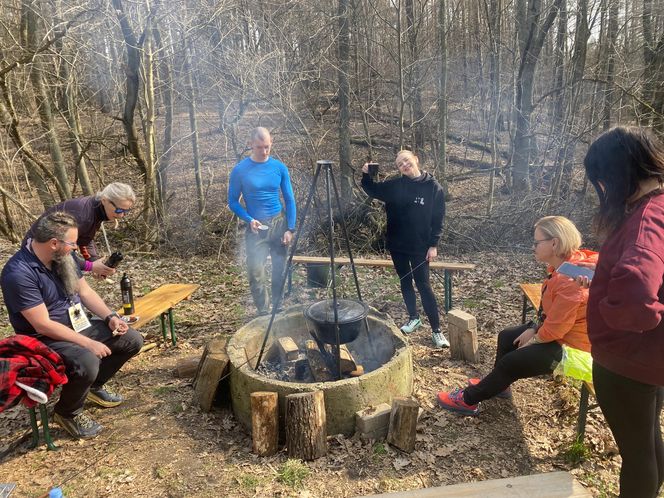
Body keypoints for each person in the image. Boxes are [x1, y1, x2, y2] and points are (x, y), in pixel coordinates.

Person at [1, 212, 143, 438]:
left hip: (78, 324)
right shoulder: (18, 273)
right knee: (88, 359)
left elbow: (85, 292)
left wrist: (110, 316)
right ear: (54, 243)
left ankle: (93, 386)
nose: (76, 248)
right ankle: (67, 413)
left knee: (131, 340)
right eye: (72, 243)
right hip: (44, 339)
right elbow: (43, 324)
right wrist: (88, 343)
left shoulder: (63, 257)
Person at [437, 216, 597, 415]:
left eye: (537, 242)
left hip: (575, 349)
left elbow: (557, 328)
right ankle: (500, 384)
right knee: (507, 337)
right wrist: (532, 328)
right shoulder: (565, 266)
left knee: (512, 361)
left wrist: (534, 339)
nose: (533, 247)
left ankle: (467, 400)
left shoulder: (571, 279)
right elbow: (550, 314)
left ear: (554, 243)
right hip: (563, 333)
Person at [583, 126, 664, 498]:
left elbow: (636, 289)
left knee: (636, 456)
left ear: (616, 174)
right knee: (648, 440)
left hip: (625, 361)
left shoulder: (646, 220)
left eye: (601, 181)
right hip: (651, 358)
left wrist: (608, 312)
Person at [361, 150, 449, 348]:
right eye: (400, 164)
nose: (404, 165)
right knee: (405, 281)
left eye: (406, 161)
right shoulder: (395, 186)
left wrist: (433, 244)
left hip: (420, 247)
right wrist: (366, 174)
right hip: (398, 245)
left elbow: (438, 219)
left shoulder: (433, 188)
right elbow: (372, 189)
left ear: (416, 159)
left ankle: (437, 331)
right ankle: (413, 318)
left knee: (424, 285)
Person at [228, 127, 297, 316]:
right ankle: (264, 312)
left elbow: (290, 200)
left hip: (278, 224)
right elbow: (233, 202)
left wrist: (290, 228)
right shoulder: (240, 170)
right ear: (251, 144)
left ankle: (278, 306)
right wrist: (249, 219)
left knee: (280, 269)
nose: (264, 151)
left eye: (267, 147)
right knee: (256, 271)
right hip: (256, 227)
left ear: (271, 143)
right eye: (259, 147)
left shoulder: (279, 168)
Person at [24, 182, 136, 279]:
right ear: (104, 200)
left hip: (56, 252)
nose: (121, 215)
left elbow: (85, 238)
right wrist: (90, 266)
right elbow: (60, 252)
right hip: (35, 255)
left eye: (126, 211)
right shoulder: (83, 215)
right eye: (119, 210)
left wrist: (95, 262)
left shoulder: (96, 210)